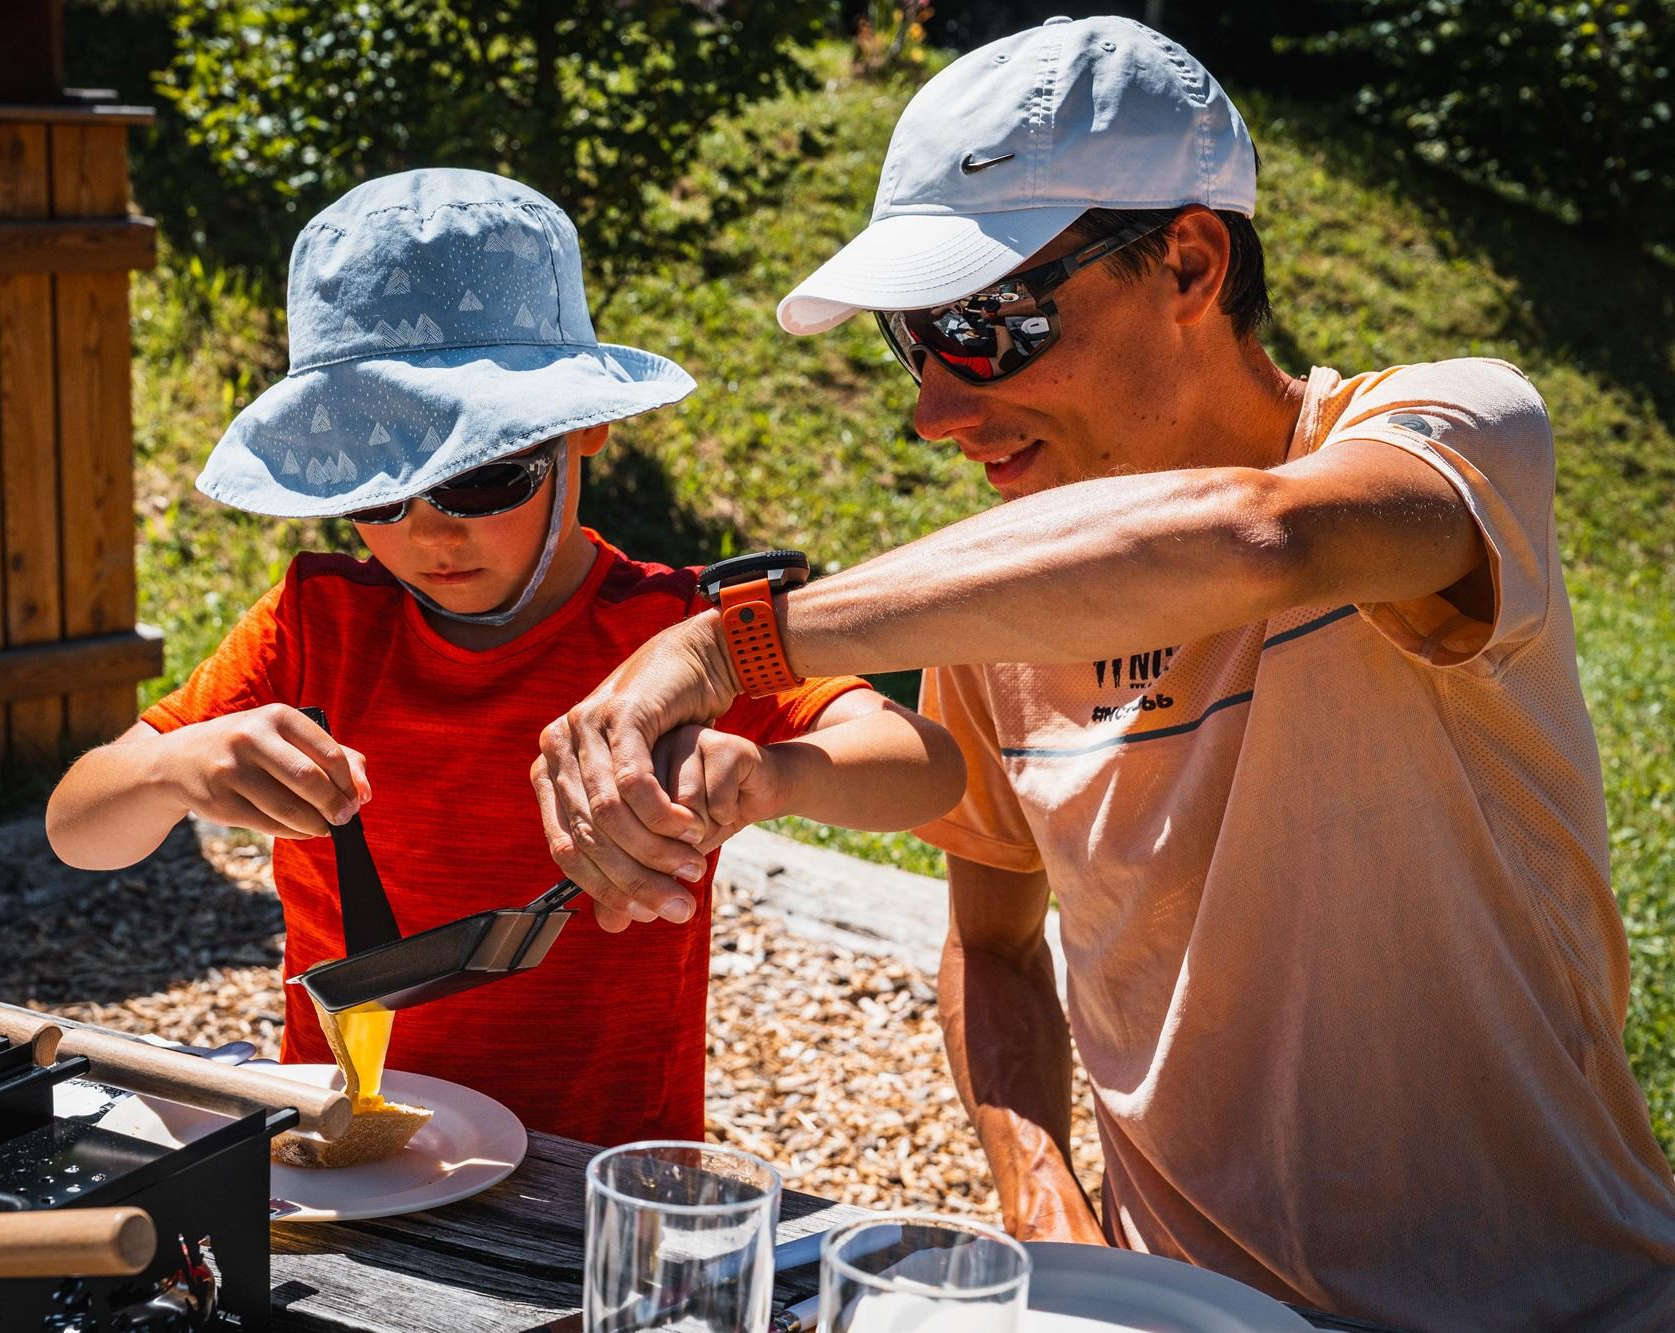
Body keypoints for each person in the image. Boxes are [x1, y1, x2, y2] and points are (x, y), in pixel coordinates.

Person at [529, 16, 1675, 1329]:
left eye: (987, 323)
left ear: (1188, 259)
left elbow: (1264, 537)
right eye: (914, 341)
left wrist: (727, 642)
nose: (934, 412)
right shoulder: (1000, 602)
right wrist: (1049, 1219)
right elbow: (993, 943)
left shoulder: (1455, 431)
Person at [45, 169, 965, 1146]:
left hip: (597, 1160)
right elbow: (80, 828)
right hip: (342, 1146)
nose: (428, 532)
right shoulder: (316, 624)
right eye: (377, 492)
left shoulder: (671, 635)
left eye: (484, 476)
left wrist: (775, 774)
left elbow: (926, 770)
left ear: (584, 431)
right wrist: (169, 767)